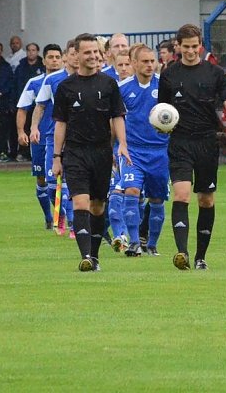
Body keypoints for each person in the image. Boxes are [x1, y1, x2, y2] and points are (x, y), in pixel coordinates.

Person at [158, 23, 226, 271]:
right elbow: (161, 111)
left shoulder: (215, 73)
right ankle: (182, 252)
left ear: (201, 46)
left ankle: (200, 256)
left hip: (207, 141)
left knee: (206, 199)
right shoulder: (169, 75)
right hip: (180, 141)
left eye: (194, 46)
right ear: (178, 47)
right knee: (182, 194)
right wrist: (160, 125)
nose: (190, 51)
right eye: (185, 47)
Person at [51, 33, 129, 272]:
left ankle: (94, 257)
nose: (93, 56)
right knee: (80, 203)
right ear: (76, 55)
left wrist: (122, 146)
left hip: (102, 153)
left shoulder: (108, 84)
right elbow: (60, 124)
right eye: (88, 52)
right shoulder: (65, 87)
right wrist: (56, 157)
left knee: (97, 207)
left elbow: (117, 116)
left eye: (96, 52)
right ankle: (85, 256)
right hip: (75, 153)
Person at [115, 46, 170, 256]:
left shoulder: (164, 86)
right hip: (133, 151)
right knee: (131, 191)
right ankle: (134, 242)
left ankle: (152, 244)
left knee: (157, 198)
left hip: (160, 151)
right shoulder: (122, 88)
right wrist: (116, 147)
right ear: (134, 64)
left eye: (152, 61)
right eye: (145, 61)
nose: (149, 65)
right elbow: (115, 120)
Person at [31, 41, 78, 237]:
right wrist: (34, 127)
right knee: (52, 185)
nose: (77, 57)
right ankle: (62, 214)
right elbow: (40, 106)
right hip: (54, 137)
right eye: (73, 54)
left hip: (78, 139)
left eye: (79, 53)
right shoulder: (52, 80)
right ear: (67, 56)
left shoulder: (89, 79)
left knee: (75, 183)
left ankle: (75, 224)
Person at [16, 44, 63, 229]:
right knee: (42, 178)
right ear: (44, 60)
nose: (54, 60)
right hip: (40, 138)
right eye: (50, 57)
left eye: (57, 57)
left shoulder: (68, 81)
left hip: (63, 138)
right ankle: (49, 217)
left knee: (65, 179)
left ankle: (67, 218)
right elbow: (22, 108)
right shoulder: (34, 83)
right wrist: (22, 131)